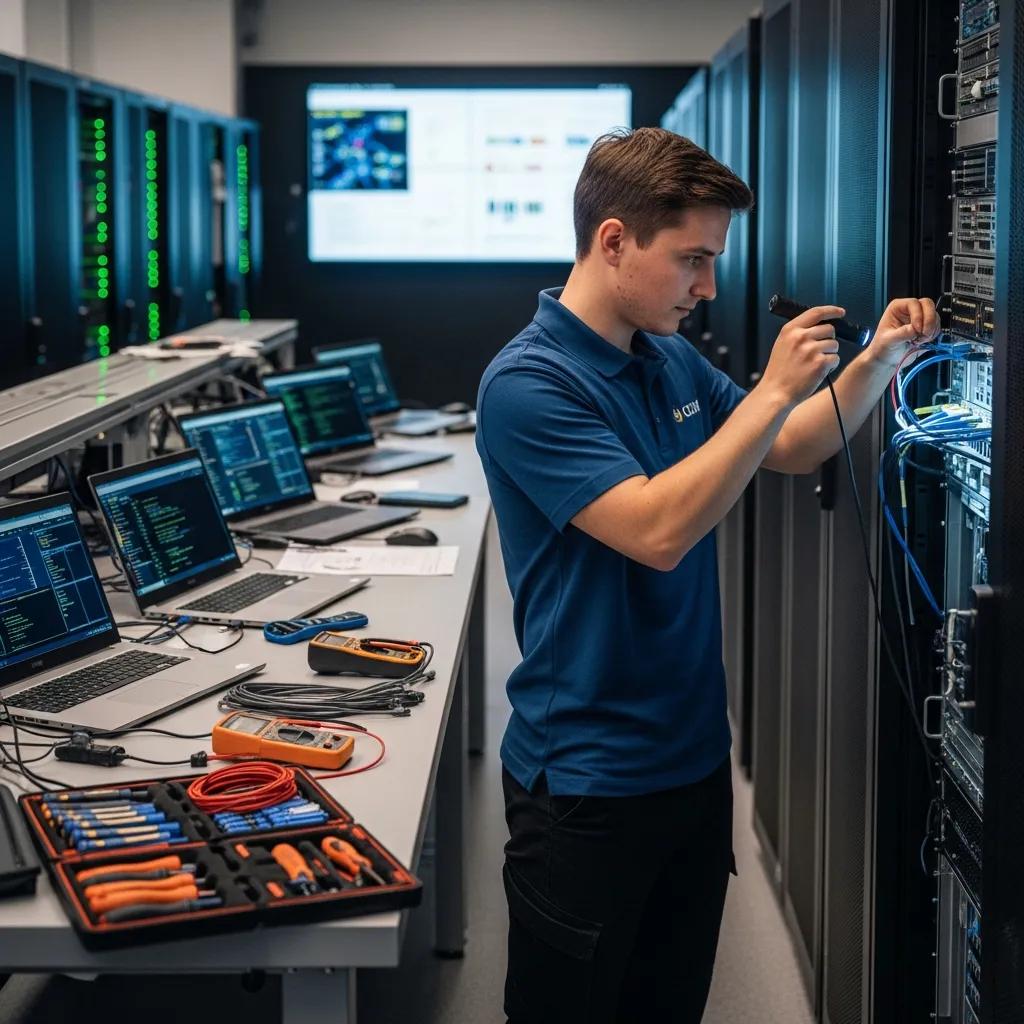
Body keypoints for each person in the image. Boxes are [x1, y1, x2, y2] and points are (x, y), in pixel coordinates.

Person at [475, 126, 939, 1023]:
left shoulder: (669, 357)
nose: (708, 286)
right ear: (614, 241)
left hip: (690, 763)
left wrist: (877, 357)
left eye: (714, 260)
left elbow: (793, 444)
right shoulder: (528, 383)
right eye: (692, 258)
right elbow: (656, 531)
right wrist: (769, 390)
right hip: (585, 782)